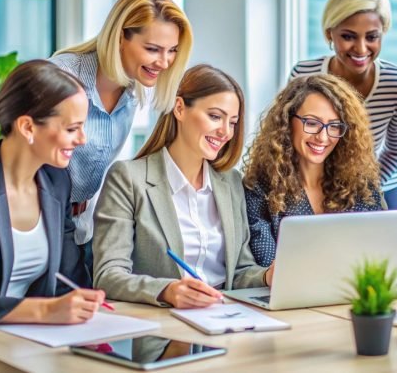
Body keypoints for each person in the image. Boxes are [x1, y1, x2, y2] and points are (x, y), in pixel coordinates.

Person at [93, 64, 271, 308]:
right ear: (179, 108)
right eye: (215, 116)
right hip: (165, 324)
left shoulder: (230, 182)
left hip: (226, 318)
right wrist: (167, 291)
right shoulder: (128, 179)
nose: (225, 132)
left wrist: (267, 276)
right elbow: (108, 275)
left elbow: (240, 272)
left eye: (233, 122)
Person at [50, 0, 193, 273]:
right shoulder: (62, 75)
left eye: (172, 51)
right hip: (44, 220)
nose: (163, 62)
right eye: (152, 49)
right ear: (120, 38)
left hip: (84, 223)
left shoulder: (135, 90)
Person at [0, 60, 105, 327]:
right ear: (28, 127)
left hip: (27, 346)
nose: (82, 139)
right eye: (72, 128)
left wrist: (87, 303)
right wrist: (40, 311)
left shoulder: (56, 182)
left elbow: (69, 280)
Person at [291, 0, 397, 210]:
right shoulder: (303, 75)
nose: (361, 48)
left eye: (372, 37)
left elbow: (395, 152)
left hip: (378, 187)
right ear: (329, 34)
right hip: (315, 186)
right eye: (348, 36)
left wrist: (359, 190)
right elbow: (289, 138)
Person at [243, 74, 384, 267]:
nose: (323, 137)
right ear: (286, 121)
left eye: (334, 126)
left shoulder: (359, 184)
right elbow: (269, 265)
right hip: (289, 295)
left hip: (354, 293)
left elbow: (378, 251)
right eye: (311, 123)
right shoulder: (260, 188)